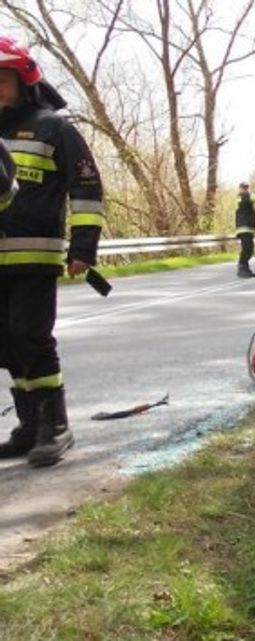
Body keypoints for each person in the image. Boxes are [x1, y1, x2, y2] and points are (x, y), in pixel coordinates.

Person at [0, 37, 104, 467]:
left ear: (23, 80)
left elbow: (86, 188)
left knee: (30, 337)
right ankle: (29, 426)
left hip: (35, 259)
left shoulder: (54, 127)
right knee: (5, 346)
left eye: (0, 80)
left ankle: (55, 425)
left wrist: (83, 246)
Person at [234, 181, 255, 278]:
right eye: (243, 187)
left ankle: (246, 268)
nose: (245, 189)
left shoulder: (245, 197)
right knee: (247, 248)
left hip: (248, 228)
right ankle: (241, 268)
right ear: (240, 188)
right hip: (244, 228)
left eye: (246, 187)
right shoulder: (242, 198)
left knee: (249, 249)